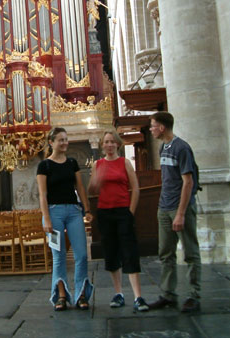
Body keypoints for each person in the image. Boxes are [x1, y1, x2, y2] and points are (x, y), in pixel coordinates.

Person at [87, 130, 149, 312]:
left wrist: (130, 211)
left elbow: (135, 189)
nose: (109, 145)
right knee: (111, 251)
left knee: (129, 250)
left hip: (123, 211)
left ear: (118, 144)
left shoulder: (125, 163)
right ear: (102, 145)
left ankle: (138, 296)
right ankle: (118, 293)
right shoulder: (97, 164)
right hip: (105, 213)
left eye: (113, 142)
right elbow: (91, 190)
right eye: (106, 142)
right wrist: (95, 181)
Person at [148, 111, 202, 313]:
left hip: (181, 209)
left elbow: (188, 182)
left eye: (153, 126)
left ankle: (193, 295)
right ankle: (168, 295)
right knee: (166, 253)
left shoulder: (182, 148)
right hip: (164, 207)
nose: (152, 129)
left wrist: (180, 213)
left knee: (190, 252)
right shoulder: (164, 147)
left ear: (162, 127)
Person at [37, 127, 94, 311]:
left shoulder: (72, 163)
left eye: (66, 139)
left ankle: (81, 294)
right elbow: (42, 194)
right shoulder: (44, 165)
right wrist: (46, 219)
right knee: (58, 256)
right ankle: (61, 295)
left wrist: (87, 209)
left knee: (82, 254)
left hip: (73, 211)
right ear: (51, 142)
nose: (64, 142)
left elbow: (80, 187)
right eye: (60, 139)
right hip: (54, 212)